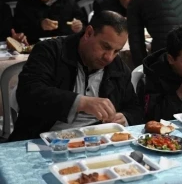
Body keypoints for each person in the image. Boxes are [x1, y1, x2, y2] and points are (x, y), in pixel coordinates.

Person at [8, 10, 143, 141]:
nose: (109, 57)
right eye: (105, 47)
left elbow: (135, 108)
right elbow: (28, 93)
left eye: (116, 51)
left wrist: (125, 117)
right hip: (43, 140)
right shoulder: (50, 51)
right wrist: (80, 102)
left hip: (97, 142)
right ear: (89, 33)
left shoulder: (117, 66)